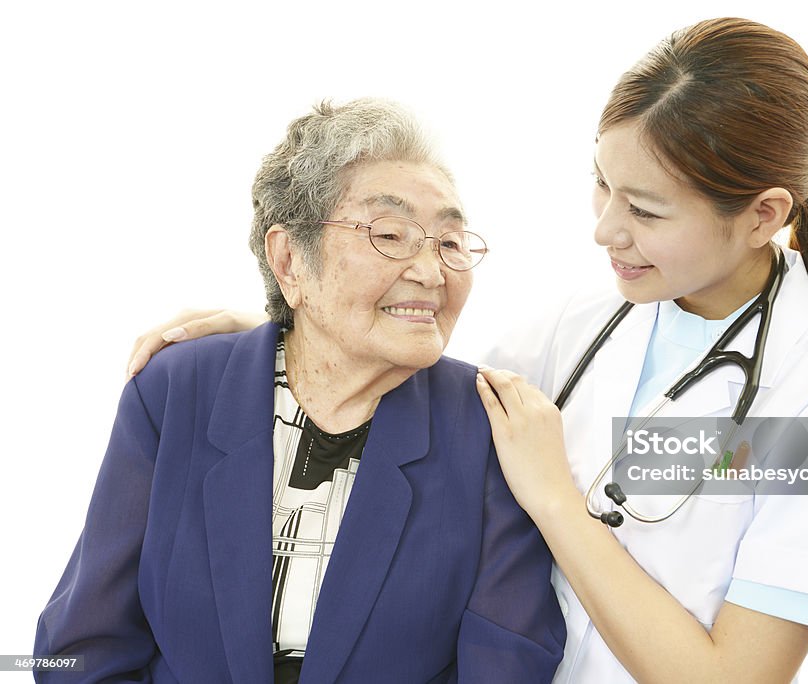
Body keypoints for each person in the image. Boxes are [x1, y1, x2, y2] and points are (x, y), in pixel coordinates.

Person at [125, 18, 808, 684]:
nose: (606, 229)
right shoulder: (577, 328)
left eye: (646, 210)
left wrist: (557, 503)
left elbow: (732, 677)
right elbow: (410, 370)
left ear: (764, 214)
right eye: (601, 185)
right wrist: (291, 324)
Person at [35, 98, 566, 683]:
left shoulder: (491, 425)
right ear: (289, 259)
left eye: (450, 241)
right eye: (391, 234)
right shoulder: (174, 389)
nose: (432, 271)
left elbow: (508, 663)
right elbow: (75, 649)